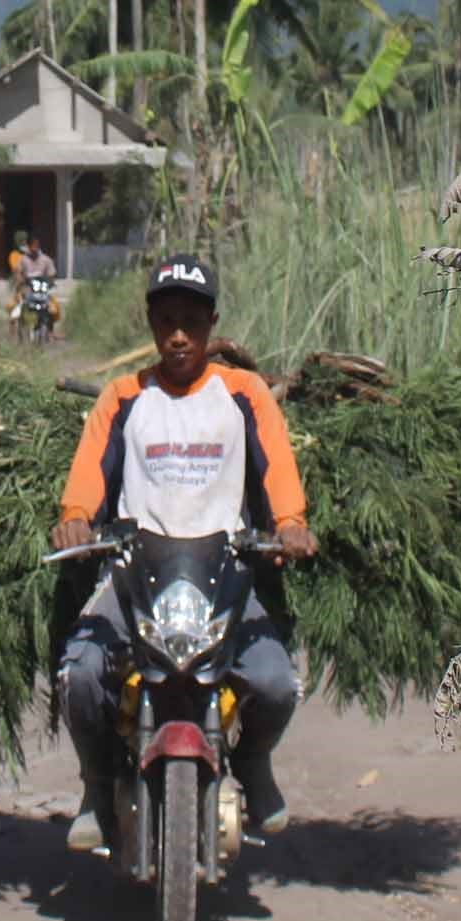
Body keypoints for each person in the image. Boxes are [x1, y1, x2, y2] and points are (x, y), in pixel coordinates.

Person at [49, 255, 316, 851]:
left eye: (190, 322)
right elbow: (89, 478)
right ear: (149, 322)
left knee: (275, 684)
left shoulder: (243, 394)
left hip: (223, 574)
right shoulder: (123, 397)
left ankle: (252, 766)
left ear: (210, 325)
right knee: (83, 675)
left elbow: (277, 470)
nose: (177, 335)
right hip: (133, 576)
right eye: (165, 320)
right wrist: (74, 521)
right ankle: (96, 784)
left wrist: (291, 526)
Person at [6, 230, 55, 323]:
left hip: (42, 291)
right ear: (28, 246)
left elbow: (51, 274)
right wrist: (20, 280)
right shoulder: (23, 259)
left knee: (54, 308)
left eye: (36, 245)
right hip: (26, 290)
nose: (34, 248)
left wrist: (50, 281)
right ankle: (13, 333)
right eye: (32, 245)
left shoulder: (46, 260)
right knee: (12, 307)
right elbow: (18, 272)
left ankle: (50, 331)